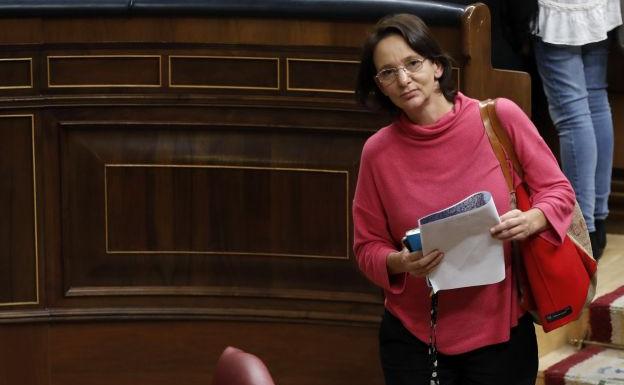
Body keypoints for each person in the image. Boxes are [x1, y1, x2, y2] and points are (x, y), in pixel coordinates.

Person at [352, 14, 576, 385]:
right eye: (388, 73)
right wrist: (400, 262)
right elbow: (366, 247)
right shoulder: (377, 153)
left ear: (437, 66)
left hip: (501, 331)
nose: (404, 79)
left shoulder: (498, 117)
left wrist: (533, 219)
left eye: (412, 63)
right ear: (380, 86)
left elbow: (559, 190)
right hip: (414, 337)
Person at [532, 0, 622, 259]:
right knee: (595, 100)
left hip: (561, 9)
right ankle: (598, 221)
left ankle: (584, 230)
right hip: (596, 5)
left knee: (573, 114)